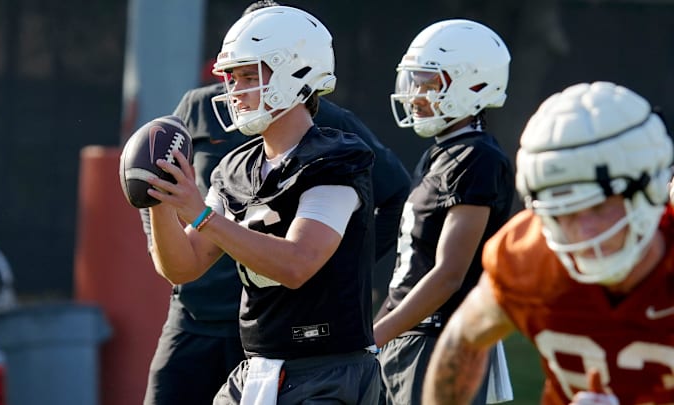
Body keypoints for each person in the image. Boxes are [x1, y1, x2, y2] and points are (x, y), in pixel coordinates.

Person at [140, 1, 410, 403]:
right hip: (257, 366)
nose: (235, 90)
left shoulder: (335, 158)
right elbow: (183, 265)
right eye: (231, 77)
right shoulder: (235, 168)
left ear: (296, 71)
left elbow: (297, 264)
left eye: (249, 75)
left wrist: (199, 213)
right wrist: (161, 201)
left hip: (325, 370)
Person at [422, 81, 674, 404]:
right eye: (564, 211)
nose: (584, 232)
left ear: (649, 189)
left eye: (598, 206)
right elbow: (463, 341)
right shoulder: (528, 255)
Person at [373, 19, 516, 405]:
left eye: (430, 84)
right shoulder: (442, 152)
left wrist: (376, 335)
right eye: (415, 83)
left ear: (474, 84)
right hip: (410, 334)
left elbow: (449, 275)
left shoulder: (478, 157)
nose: (416, 95)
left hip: (436, 340)